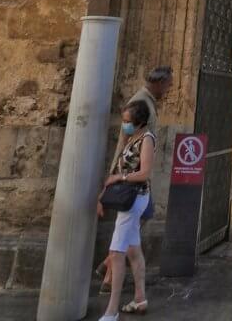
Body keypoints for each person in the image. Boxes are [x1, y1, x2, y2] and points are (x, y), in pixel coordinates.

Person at [97, 66, 173, 290]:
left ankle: (108, 270)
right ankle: (111, 277)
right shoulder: (141, 103)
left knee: (135, 224)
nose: (169, 90)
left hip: (138, 180)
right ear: (159, 83)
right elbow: (126, 141)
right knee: (130, 228)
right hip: (135, 180)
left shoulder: (147, 100)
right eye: (168, 85)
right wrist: (117, 174)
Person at [96, 100, 155, 319]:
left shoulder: (147, 139)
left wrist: (119, 177)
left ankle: (112, 311)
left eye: (128, 121)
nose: (124, 125)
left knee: (116, 253)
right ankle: (140, 298)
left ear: (139, 122)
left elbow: (145, 173)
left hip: (134, 198)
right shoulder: (133, 137)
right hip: (127, 198)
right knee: (132, 249)